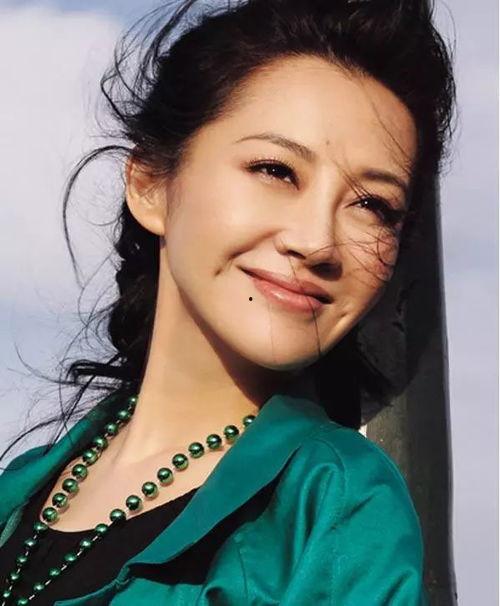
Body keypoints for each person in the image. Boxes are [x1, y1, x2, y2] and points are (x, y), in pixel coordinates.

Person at [0, 0, 456, 604]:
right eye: (276, 170)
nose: (317, 242)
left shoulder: (335, 509)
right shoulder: (20, 491)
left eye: (373, 206)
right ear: (151, 184)